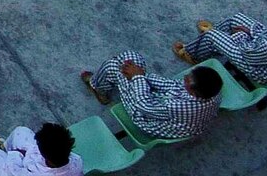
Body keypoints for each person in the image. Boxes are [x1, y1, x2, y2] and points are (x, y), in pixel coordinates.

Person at [81, 51, 222, 139]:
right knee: (131, 59)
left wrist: (137, 77)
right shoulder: (213, 92)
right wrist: (141, 75)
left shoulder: (178, 107)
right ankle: (109, 77)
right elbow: (172, 85)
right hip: (163, 104)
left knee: (113, 67)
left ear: (193, 92)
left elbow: (144, 106)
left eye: (187, 80)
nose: (185, 77)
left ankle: (98, 88)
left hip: (147, 118)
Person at [172, 1, 267, 84]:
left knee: (213, 36)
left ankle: (192, 54)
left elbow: (249, 54)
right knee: (237, 19)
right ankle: (210, 41)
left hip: (258, 68)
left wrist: (241, 35)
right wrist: (250, 31)